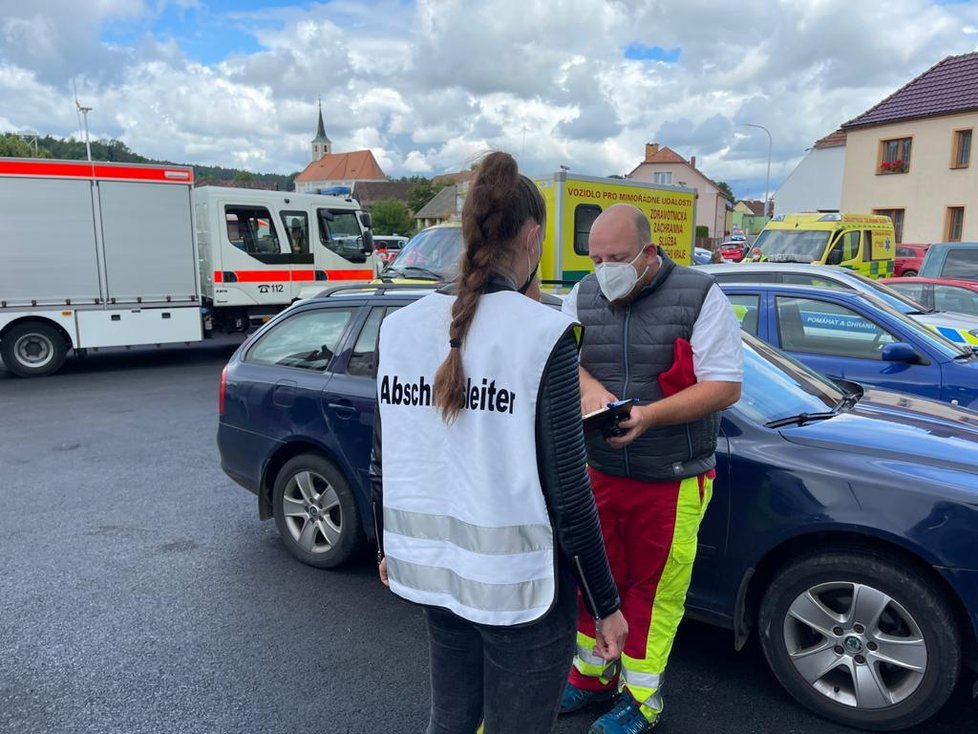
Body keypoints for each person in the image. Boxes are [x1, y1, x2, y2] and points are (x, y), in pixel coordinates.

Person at [370, 151, 628, 734]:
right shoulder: (543, 333)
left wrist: (386, 547)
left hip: (435, 573)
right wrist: (606, 605)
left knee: (451, 721)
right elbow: (569, 489)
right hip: (522, 590)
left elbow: (383, 457)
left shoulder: (399, 326)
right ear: (533, 236)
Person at [559, 204, 743, 733]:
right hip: (599, 469)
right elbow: (563, 359)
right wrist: (593, 391)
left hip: (673, 476)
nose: (603, 268)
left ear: (648, 252)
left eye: (616, 257)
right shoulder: (582, 294)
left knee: (654, 590)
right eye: (595, 257)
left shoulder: (701, 294)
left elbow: (725, 385)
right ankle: (592, 676)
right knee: (594, 582)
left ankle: (641, 699)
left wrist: (648, 416)